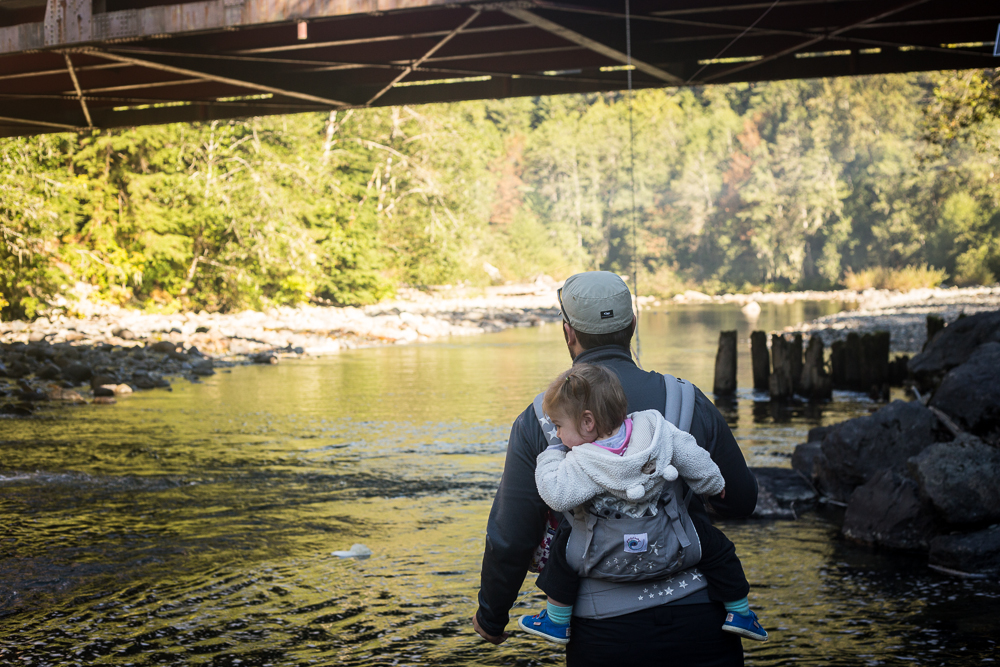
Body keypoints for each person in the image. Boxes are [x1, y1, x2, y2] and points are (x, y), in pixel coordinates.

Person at [472, 271, 760, 667]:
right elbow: (741, 500)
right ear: (633, 325)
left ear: (568, 334)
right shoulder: (687, 399)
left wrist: (492, 616)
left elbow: (511, 536)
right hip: (702, 622)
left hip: (603, 634)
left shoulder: (542, 419)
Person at [516, 363, 767, 645]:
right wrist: (712, 485)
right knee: (719, 549)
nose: (558, 435)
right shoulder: (654, 428)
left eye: (559, 426)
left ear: (588, 422)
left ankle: (557, 621)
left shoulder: (583, 461)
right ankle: (740, 612)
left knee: (562, 553)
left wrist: (550, 457)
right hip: (670, 538)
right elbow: (691, 455)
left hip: (601, 551)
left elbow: (557, 495)